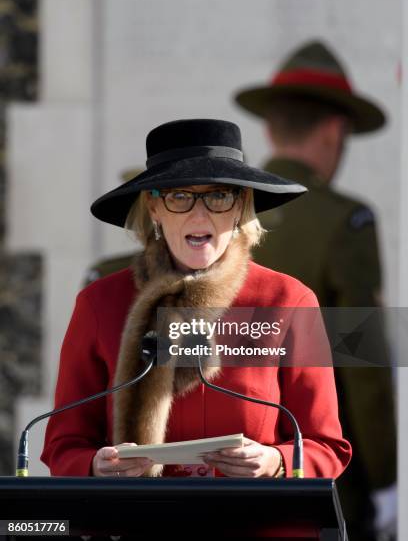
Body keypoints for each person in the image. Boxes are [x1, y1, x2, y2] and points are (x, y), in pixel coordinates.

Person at [41, 118, 351, 482]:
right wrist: (96, 465)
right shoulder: (99, 303)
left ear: (240, 206)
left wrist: (275, 460)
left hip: (256, 525)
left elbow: (327, 447)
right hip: (137, 525)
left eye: (219, 196)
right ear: (153, 208)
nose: (199, 214)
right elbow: (64, 444)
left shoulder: (289, 300)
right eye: (179, 196)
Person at [234, 40, 396, 540]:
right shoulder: (343, 221)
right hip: (316, 479)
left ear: (269, 127)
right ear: (333, 130)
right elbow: (360, 368)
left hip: (220, 475)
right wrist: (385, 481)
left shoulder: (217, 211)